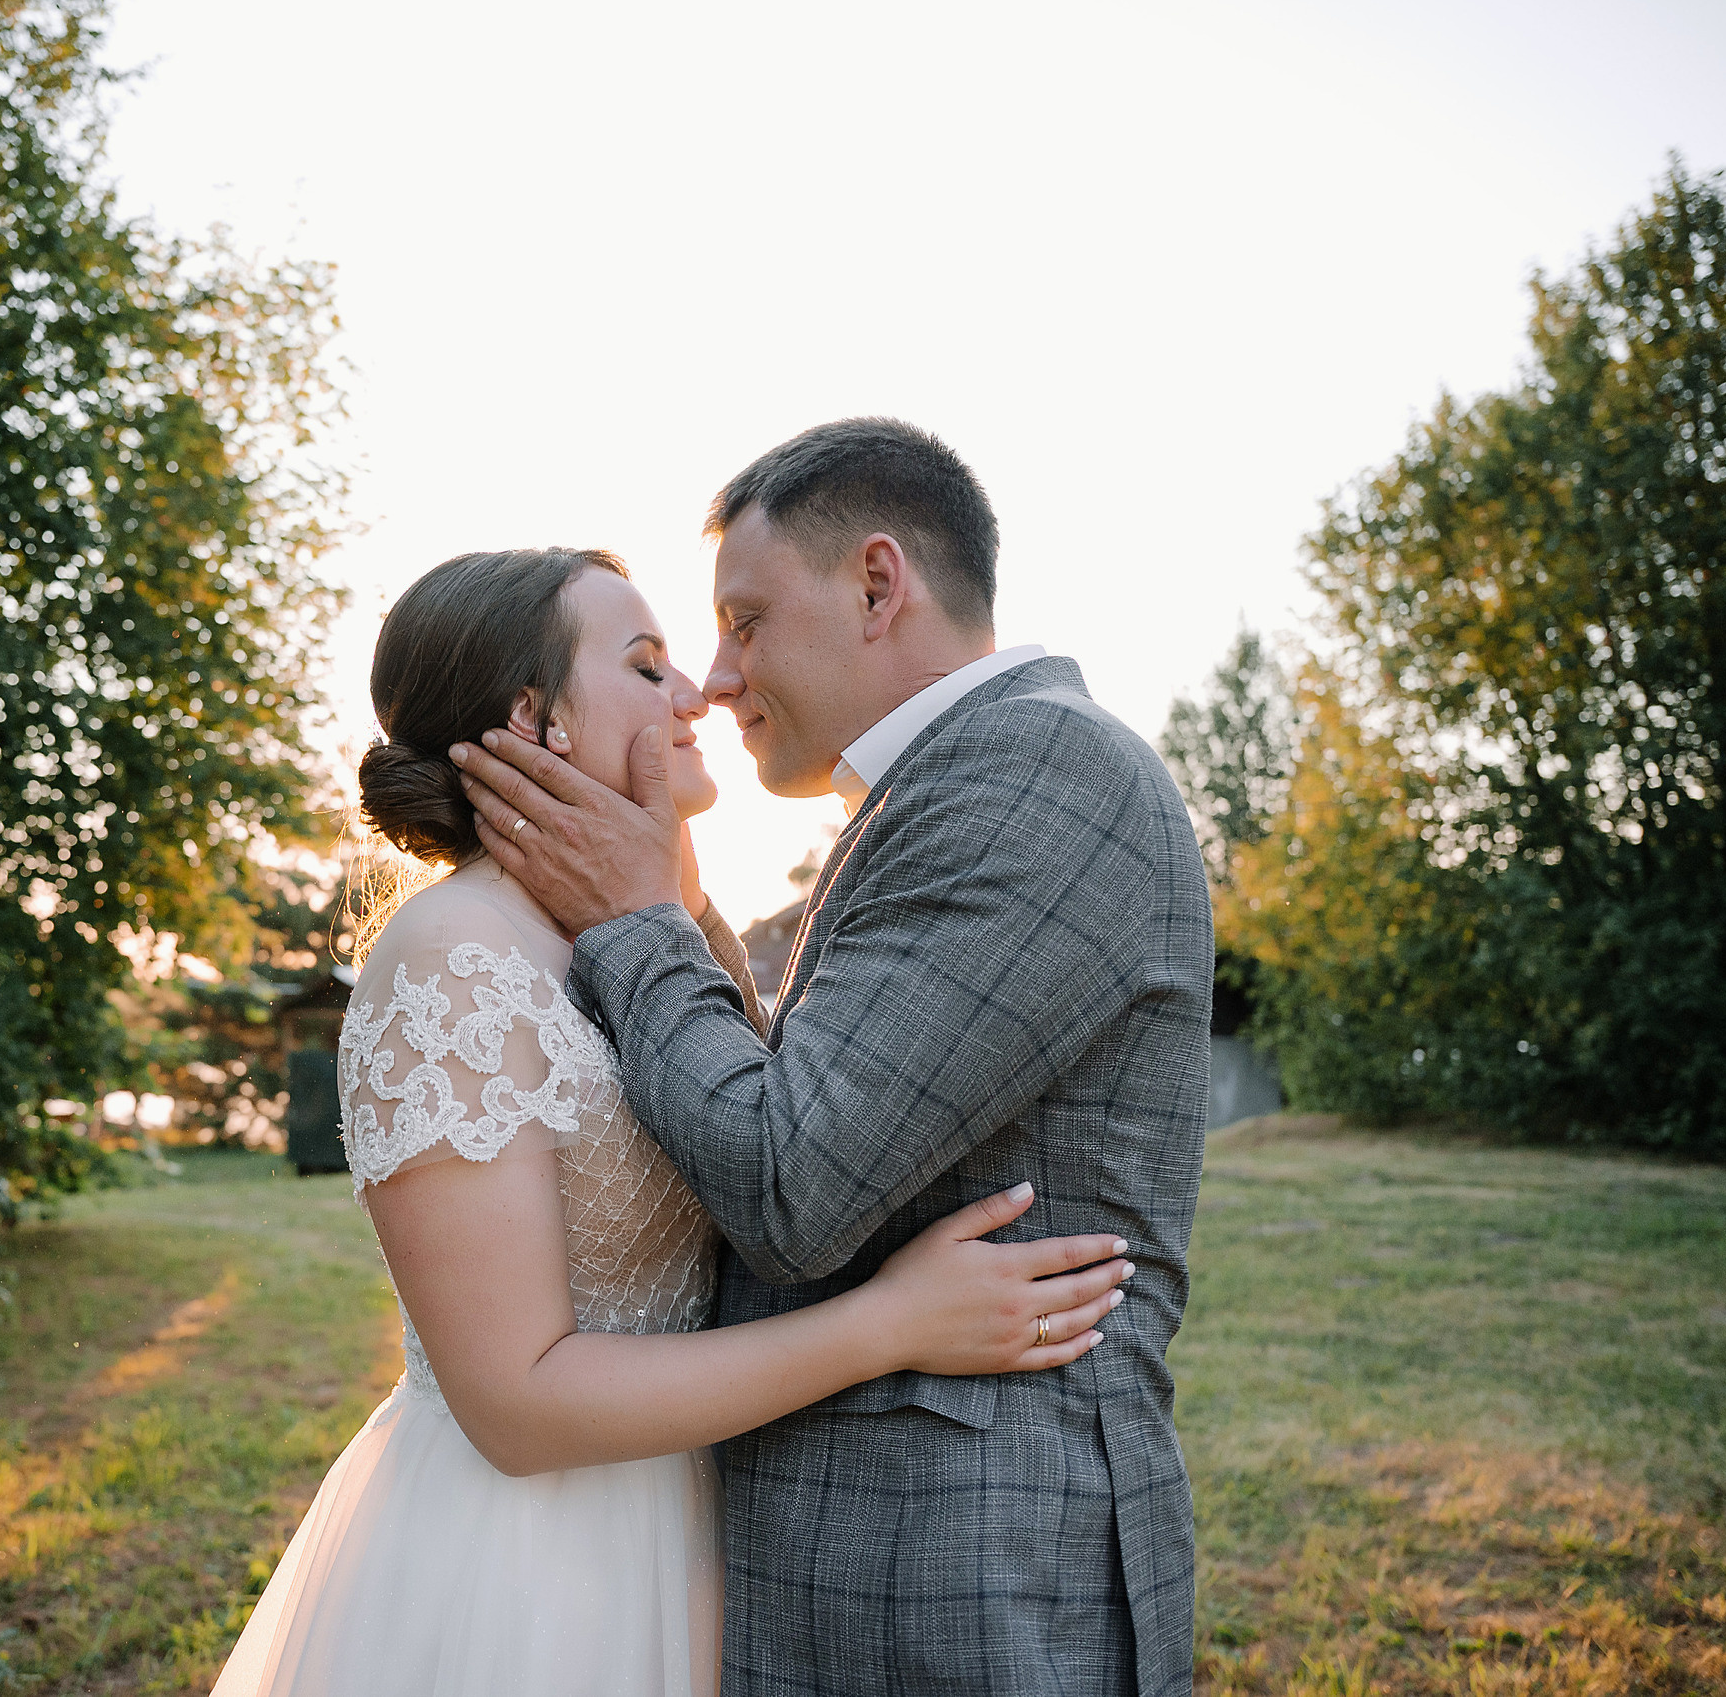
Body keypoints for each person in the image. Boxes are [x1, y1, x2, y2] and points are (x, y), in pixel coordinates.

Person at [213, 546, 1137, 1697]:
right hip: (530, 1569)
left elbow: (771, 1143)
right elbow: (513, 1402)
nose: (697, 691)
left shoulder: (649, 929)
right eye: (648, 665)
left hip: (697, 1533)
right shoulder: (453, 956)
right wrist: (889, 1323)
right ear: (533, 719)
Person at [451, 421, 1212, 1697]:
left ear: (876, 584)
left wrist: (641, 921)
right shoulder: (951, 789)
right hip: (886, 1566)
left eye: (743, 620)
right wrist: (677, 916)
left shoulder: (1038, 774)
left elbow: (791, 1182)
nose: (717, 674)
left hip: (963, 1583)